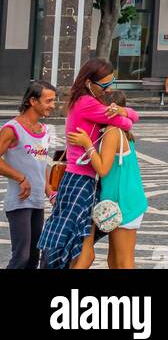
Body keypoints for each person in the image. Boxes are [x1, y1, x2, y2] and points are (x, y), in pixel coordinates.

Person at [41, 59, 138, 270]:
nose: (108, 89)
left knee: (79, 245)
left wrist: (122, 112)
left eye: (111, 83)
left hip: (79, 180)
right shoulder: (88, 103)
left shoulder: (80, 101)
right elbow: (130, 122)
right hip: (82, 182)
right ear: (88, 83)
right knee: (84, 250)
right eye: (104, 85)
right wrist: (123, 114)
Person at [67, 90, 148, 270]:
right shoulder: (121, 131)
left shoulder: (112, 131)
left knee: (123, 262)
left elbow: (103, 169)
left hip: (124, 203)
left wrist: (87, 143)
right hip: (123, 201)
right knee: (114, 261)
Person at [1, 79, 58, 270]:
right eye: (48, 101)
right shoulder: (12, 128)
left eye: (54, 100)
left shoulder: (43, 131)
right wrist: (20, 178)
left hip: (36, 202)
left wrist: (51, 193)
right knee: (21, 257)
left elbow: (39, 167)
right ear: (33, 101)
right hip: (19, 202)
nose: (53, 105)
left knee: (34, 258)